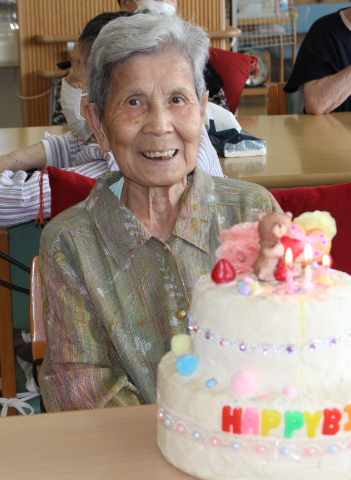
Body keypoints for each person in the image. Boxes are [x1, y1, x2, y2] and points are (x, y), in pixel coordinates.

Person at [37, 13, 279, 411]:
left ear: (202, 111)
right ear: (98, 124)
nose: (160, 125)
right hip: (131, 447)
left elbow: (293, 345)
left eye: (177, 100)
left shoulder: (253, 212)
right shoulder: (72, 243)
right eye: (134, 103)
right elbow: (81, 386)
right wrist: (181, 434)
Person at [0, 11, 224, 227]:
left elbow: (9, 200)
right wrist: (3, 161)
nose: (159, 125)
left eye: (75, 72)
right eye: (135, 103)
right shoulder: (177, 142)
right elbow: (79, 144)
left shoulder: (110, 176)